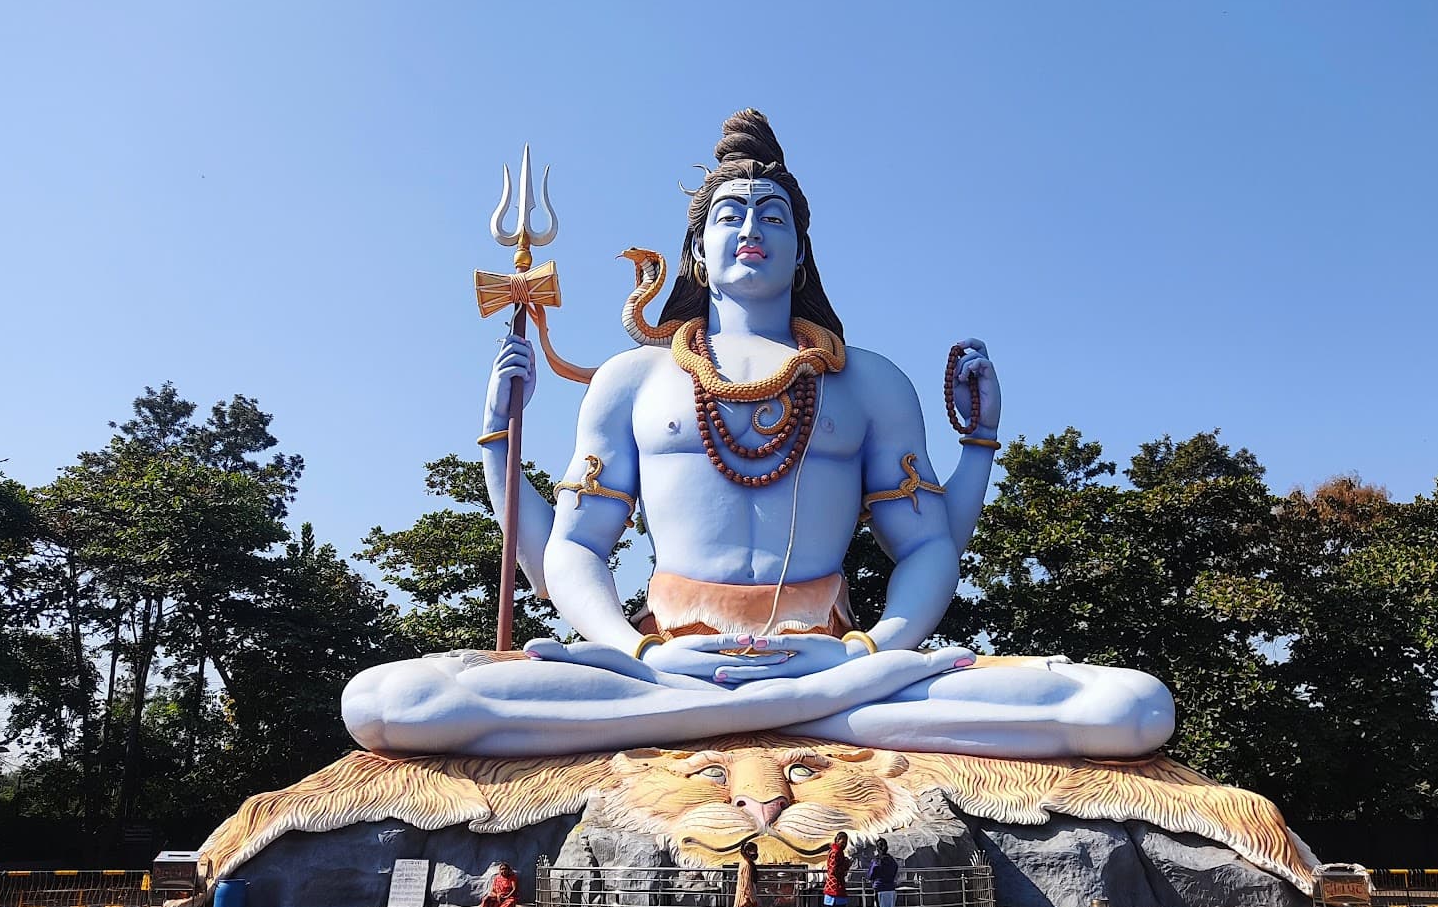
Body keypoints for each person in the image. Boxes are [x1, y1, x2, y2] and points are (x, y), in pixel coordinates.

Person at [341, 110, 1175, 762]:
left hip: (837, 661)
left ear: (802, 248)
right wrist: (629, 648)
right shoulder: (634, 380)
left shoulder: (869, 380)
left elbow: (927, 549)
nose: (752, 228)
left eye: (773, 215)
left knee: (1131, 707)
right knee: (387, 702)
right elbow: (569, 550)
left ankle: (748, 712)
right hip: (661, 661)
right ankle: (787, 717)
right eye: (731, 213)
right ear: (696, 253)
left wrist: (874, 646)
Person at [868, 838, 900, 907]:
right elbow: (896, 869)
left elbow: (871, 874)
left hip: (880, 889)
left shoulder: (876, 861)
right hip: (891, 888)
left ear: (877, 848)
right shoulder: (891, 860)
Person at [824, 832, 851, 907]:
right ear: (837, 840)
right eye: (843, 841)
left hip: (831, 889)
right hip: (836, 889)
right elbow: (834, 870)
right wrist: (846, 865)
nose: (844, 844)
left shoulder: (833, 851)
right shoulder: (836, 852)